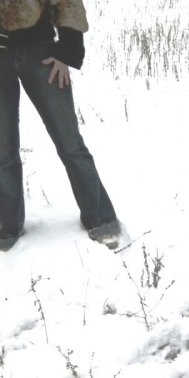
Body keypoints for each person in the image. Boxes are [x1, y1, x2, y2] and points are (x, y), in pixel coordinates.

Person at [0, 0, 120, 251]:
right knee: (3, 151)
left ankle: (100, 217)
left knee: (70, 143)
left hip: (40, 53)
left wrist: (67, 50)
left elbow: (68, 3)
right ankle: (7, 224)